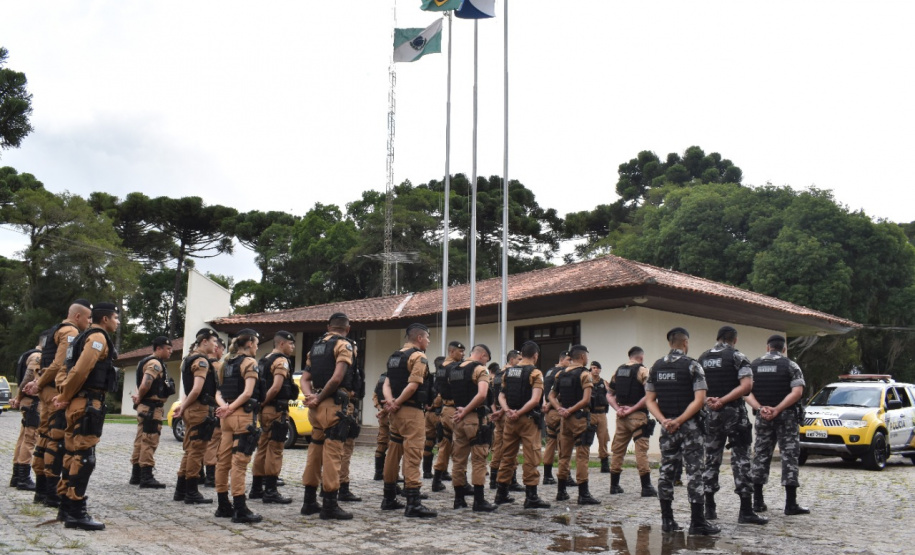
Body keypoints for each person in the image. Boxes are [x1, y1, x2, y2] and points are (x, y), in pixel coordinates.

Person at [645, 327, 719, 535]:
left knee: (666, 471)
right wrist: (680, 420)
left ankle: (667, 521)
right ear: (685, 342)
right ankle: (697, 523)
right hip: (690, 428)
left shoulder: (656, 367)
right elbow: (699, 400)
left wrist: (665, 421)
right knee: (695, 472)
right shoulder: (693, 366)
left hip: (667, 427)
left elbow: (650, 400)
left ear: (670, 343)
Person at [53, 301, 120, 531]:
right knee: (84, 457)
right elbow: (81, 370)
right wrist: (65, 395)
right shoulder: (98, 338)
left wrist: (63, 392)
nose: (117, 322)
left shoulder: (80, 338)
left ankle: (65, 506)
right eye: (116, 318)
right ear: (105, 319)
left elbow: (65, 368)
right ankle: (76, 511)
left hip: (77, 402)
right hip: (87, 403)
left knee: (72, 454)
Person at [21, 299, 92, 509]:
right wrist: (39, 383)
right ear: (77, 316)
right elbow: (59, 364)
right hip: (54, 391)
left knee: (44, 438)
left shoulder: (56, 329)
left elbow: (48, 363)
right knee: (56, 440)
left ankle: (42, 491)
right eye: (88, 318)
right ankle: (52, 494)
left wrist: (37, 382)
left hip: (46, 390)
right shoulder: (70, 332)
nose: (89, 322)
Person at [698, 326, 767, 525]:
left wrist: (710, 401)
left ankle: (709, 508)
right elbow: (746, 386)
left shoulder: (702, 358)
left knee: (710, 457)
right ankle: (746, 510)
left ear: (717, 338)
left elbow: (696, 388)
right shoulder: (737, 356)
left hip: (710, 413)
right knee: (741, 459)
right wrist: (723, 400)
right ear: (734, 340)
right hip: (734, 413)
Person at [301, 313, 357, 520]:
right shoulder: (344, 345)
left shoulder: (315, 347)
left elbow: (305, 378)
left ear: (328, 326)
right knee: (333, 454)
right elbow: (337, 378)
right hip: (333, 404)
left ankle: (309, 502)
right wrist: (320, 397)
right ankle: (330, 505)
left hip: (316, 409)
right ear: (347, 328)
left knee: (314, 453)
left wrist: (311, 396)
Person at [747, 334, 809, 517]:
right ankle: (791, 504)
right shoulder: (790, 365)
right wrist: (778, 409)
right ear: (784, 349)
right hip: (786, 417)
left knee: (760, 456)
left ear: (768, 347)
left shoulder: (754, 365)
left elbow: (745, 391)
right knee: (789, 457)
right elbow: (797, 392)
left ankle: (757, 502)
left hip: (763, 417)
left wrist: (760, 408)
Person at [381, 322, 437, 518]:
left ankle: (388, 498)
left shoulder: (394, 356)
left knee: (393, 452)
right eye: (428, 338)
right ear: (419, 338)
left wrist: (391, 403)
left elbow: (386, 383)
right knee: (413, 454)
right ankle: (413, 503)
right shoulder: (418, 357)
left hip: (395, 413)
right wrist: (398, 402)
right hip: (411, 412)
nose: (429, 342)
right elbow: (413, 386)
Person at [213, 329, 263, 523]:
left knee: (223, 461)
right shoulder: (249, 363)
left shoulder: (225, 363)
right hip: (242, 415)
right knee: (239, 463)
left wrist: (224, 407)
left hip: (226, 417)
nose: (257, 347)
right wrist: (231, 408)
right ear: (249, 343)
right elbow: (248, 393)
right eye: (257, 343)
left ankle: (223, 505)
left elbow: (218, 391)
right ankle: (240, 508)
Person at [495, 341, 550, 509]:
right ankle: (531, 496)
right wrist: (518, 413)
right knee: (531, 457)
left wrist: (508, 411)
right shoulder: (535, 373)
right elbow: (535, 400)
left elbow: (501, 396)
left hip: (510, 420)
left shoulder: (508, 372)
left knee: (507, 456)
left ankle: (501, 494)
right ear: (535, 355)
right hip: (527, 420)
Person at [173, 328, 221, 505]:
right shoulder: (201, 361)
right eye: (214, 341)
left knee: (190, 449)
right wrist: (183, 406)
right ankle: (191, 492)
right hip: (199, 409)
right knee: (197, 451)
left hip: (192, 409)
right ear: (204, 342)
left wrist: (183, 407)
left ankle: (181, 489)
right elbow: (196, 389)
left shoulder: (188, 359)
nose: (216, 345)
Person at [447, 344, 497, 512]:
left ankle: (459, 499)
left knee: (459, 460)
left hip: (457, 417)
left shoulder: (454, 369)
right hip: (474, 418)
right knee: (479, 459)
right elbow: (482, 394)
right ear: (482, 355)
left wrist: (460, 411)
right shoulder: (479, 370)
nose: (486, 363)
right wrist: (467, 410)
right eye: (486, 359)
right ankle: (479, 501)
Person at [249, 330, 297, 504]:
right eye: (291, 344)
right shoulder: (281, 361)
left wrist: (261, 405)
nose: (293, 347)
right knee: (275, 450)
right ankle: (270, 490)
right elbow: (276, 387)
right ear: (282, 343)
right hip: (276, 410)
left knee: (262, 448)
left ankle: (256, 488)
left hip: (265, 411)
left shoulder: (263, 359)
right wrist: (264, 402)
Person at [549, 344, 600, 505]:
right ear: (583, 357)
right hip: (579, 418)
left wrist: (560, 409)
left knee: (564, 455)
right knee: (582, 455)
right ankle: (583, 494)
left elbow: (551, 395)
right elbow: (586, 399)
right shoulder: (585, 374)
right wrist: (570, 410)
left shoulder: (560, 374)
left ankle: (561, 491)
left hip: (565, 419)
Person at [607, 346, 657, 497]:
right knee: (641, 451)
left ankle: (614, 486)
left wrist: (618, 409)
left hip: (621, 416)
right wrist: (632, 409)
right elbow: (649, 395)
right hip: (637, 416)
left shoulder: (618, 371)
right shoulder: (643, 371)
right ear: (641, 357)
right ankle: (646, 487)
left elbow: (609, 394)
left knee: (618, 450)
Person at [129, 336, 175, 489]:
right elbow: (145, 384)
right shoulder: (155, 364)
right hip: (151, 408)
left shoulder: (145, 361)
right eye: (168, 349)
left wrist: (139, 399)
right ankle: (146, 476)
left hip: (145, 407)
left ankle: (136, 474)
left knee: (140, 440)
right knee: (150, 440)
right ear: (158, 349)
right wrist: (140, 397)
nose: (170, 351)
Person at [431, 341, 464, 492]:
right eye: (460, 351)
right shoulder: (455, 368)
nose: (463, 354)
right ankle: (461, 480)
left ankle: (437, 479)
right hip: (455, 410)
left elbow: (437, 389)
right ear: (452, 352)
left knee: (444, 445)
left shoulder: (441, 369)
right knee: (460, 445)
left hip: (444, 409)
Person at [9, 341, 42, 491]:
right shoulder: (37, 357)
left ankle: (16, 475)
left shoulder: (27, 354)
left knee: (23, 438)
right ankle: (23, 478)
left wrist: (18, 398)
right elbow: (27, 379)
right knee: (30, 438)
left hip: (27, 402)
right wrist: (19, 397)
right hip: (33, 402)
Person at [489, 351, 523, 493]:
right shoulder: (510, 374)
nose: (521, 362)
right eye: (519, 359)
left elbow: (491, 396)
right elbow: (508, 395)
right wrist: (504, 411)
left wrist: (495, 411)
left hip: (498, 411)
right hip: (506, 412)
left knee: (498, 446)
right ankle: (511, 480)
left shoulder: (496, 375)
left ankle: (493, 479)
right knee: (510, 448)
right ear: (512, 359)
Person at [541, 350, 570, 486]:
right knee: (563, 444)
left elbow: (543, 391)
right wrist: (552, 403)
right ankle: (566, 475)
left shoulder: (548, 372)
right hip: (558, 411)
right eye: (569, 360)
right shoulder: (562, 373)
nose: (570, 363)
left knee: (550, 443)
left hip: (549, 413)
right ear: (563, 359)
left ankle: (547, 475)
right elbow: (558, 392)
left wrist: (545, 404)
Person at [202, 336, 226, 488]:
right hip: (213, 407)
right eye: (222, 350)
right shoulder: (217, 366)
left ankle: (200, 474)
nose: (223, 353)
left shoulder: (200, 362)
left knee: (202, 442)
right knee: (214, 442)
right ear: (217, 348)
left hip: (201, 407)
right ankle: (211, 476)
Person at [589, 361, 612, 473]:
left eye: (597, 368)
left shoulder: (604, 383)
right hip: (590, 413)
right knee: (586, 438)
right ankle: (582, 461)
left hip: (602, 413)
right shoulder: (586, 381)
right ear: (590, 369)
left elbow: (611, 394)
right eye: (593, 368)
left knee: (603, 438)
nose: (595, 370)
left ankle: (604, 462)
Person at [372, 371, 390, 480]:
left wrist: (379, 408)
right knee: (394, 443)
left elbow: (374, 395)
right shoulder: (396, 377)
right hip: (392, 411)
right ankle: (393, 474)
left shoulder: (381, 377)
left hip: (382, 413)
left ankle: (378, 473)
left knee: (382, 441)